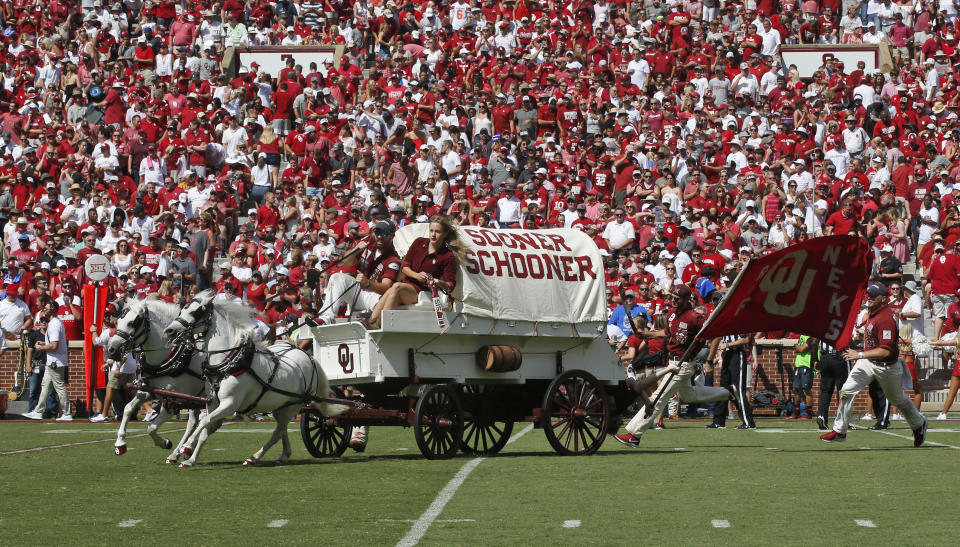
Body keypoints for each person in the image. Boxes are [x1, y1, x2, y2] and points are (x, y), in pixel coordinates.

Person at [614, 284, 736, 447]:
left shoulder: (695, 317)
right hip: (672, 361)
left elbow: (715, 334)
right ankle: (728, 392)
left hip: (683, 364)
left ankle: (634, 435)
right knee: (689, 396)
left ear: (686, 300)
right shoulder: (671, 313)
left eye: (677, 299)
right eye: (671, 297)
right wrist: (646, 334)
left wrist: (709, 360)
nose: (673, 301)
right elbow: (666, 333)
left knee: (658, 397)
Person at [820, 284, 927, 446]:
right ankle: (840, 430)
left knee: (896, 399)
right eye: (868, 294)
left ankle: (919, 423)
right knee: (847, 390)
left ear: (883, 299)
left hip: (886, 366)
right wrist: (859, 338)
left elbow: (885, 351)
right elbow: (873, 337)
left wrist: (859, 354)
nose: (868, 298)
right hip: (868, 362)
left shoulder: (885, 319)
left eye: (873, 296)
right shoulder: (874, 313)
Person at [366, 216, 465, 330]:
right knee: (395, 287)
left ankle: (379, 324)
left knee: (396, 287)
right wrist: (417, 276)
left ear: (445, 234)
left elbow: (450, 285)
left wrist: (437, 281)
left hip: (423, 292)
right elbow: (404, 267)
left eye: (437, 232)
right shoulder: (419, 242)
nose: (433, 234)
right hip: (405, 286)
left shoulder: (447, 256)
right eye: (431, 230)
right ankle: (374, 323)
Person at [318, 220, 400, 326]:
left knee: (382, 302)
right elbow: (347, 262)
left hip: (375, 297)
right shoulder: (370, 241)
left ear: (392, 236)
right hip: (359, 292)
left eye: (384, 233)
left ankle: (372, 323)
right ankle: (326, 318)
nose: (379, 236)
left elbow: (387, 287)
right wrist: (356, 249)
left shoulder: (393, 259)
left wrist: (368, 283)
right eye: (378, 232)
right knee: (336, 277)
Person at [23, 303, 72, 421]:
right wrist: (44, 344)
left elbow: (54, 346)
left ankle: (67, 413)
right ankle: (38, 411)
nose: (44, 309)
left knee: (59, 386)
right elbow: (54, 343)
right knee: (45, 385)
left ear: (53, 310)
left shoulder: (54, 324)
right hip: (52, 361)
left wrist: (41, 347)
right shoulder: (54, 323)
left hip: (56, 362)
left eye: (47, 308)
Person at [88, 306, 136, 422]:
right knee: (131, 391)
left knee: (111, 389)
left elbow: (97, 342)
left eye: (111, 317)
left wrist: (93, 331)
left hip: (121, 364)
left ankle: (104, 414)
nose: (110, 320)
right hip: (131, 363)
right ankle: (146, 411)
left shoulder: (112, 332)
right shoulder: (129, 331)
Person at [706, 333, 756, 429]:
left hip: (737, 354)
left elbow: (745, 340)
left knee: (738, 390)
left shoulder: (739, 322)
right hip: (727, 355)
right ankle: (719, 421)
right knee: (723, 390)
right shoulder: (727, 325)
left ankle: (748, 422)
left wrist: (728, 345)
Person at [814, 340, 849, 431]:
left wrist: (816, 359)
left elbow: (814, 341)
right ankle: (842, 420)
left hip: (824, 357)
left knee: (825, 390)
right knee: (843, 390)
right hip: (838, 356)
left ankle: (822, 415)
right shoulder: (842, 325)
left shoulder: (822, 326)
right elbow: (847, 342)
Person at [786, 334, 814, 420]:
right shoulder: (802, 336)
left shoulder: (811, 337)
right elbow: (797, 349)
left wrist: (798, 347)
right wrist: (798, 347)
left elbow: (801, 349)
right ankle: (796, 412)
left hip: (807, 365)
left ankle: (808, 413)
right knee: (796, 389)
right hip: (798, 365)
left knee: (807, 389)